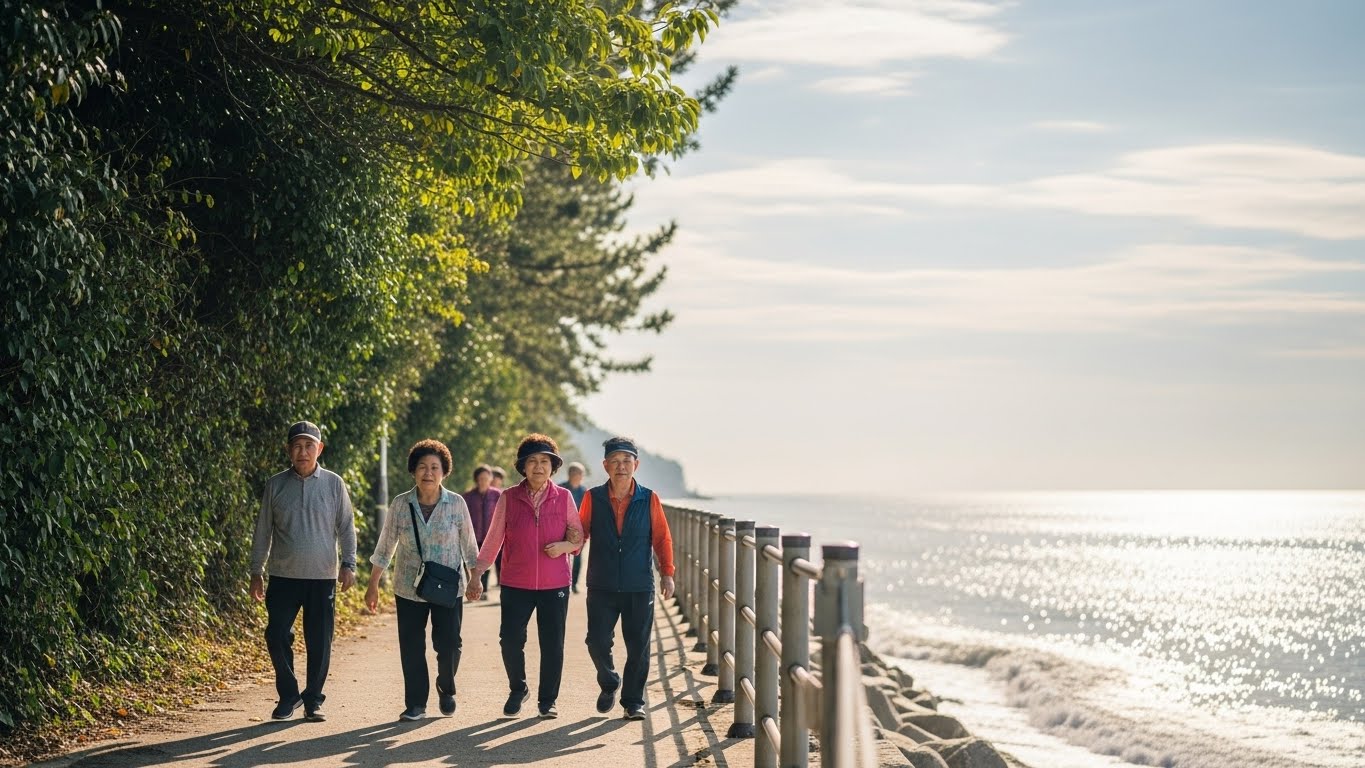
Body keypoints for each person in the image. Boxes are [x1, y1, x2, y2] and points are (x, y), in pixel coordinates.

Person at [467, 434, 582, 719]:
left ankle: (548, 700)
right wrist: (477, 574)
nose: (538, 467)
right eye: (532, 461)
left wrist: (565, 547)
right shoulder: (508, 497)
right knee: (509, 639)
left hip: (555, 584)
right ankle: (518, 689)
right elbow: (494, 538)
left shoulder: (564, 497)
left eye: (544, 461)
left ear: (553, 466)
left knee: (552, 643)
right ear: (523, 467)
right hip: (515, 582)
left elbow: (578, 535)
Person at [250, 420, 358, 722]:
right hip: (283, 576)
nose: (302, 451)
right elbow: (263, 531)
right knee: (276, 633)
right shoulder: (275, 484)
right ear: (288, 450)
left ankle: (313, 700)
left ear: (319, 449)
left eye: (309, 445)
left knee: (319, 640)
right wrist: (255, 571)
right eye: (297, 445)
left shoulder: (334, 484)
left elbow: (346, 527)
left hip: (322, 577)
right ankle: (289, 695)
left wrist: (349, 564)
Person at [365, 439, 479, 721]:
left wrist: (475, 578)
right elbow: (386, 544)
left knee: (450, 643)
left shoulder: (456, 503)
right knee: (412, 646)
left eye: (434, 467)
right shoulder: (401, 504)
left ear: (444, 472)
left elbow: (469, 545)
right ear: (413, 471)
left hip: (449, 587)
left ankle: (446, 685)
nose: (428, 473)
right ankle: (416, 703)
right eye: (422, 467)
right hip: (408, 587)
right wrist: (373, 584)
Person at [579, 436, 675, 721]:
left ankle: (633, 701)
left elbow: (662, 538)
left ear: (636, 464)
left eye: (627, 461)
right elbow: (580, 532)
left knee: (638, 646)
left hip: (638, 584)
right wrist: (565, 550)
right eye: (615, 461)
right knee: (596, 641)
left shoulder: (649, 498)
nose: (621, 466)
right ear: (605, 465)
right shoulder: (592, 497)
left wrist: (667, 573)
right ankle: (609, 681)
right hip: (601, 583)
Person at [461, 464, 501, 598]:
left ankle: (484, 591)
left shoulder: (497, 495)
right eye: (481, 478)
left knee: (488, 563)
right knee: (476, 563)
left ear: (490, 478)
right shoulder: (468, 497)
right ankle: (476, 588)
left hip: (493, 535)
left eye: (486, 477)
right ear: (476, 479)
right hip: (474, 535)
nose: (483, 480)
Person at [560, 462, 588, 594]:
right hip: (561, 527)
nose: (577, 476)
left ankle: (574, 584)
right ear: (570, 474)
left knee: (577, 556)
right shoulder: (560, 488)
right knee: (560, 555)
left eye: (580, 473)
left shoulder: (585, 492)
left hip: (578, 530)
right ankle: (561, 582)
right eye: (574, 473)